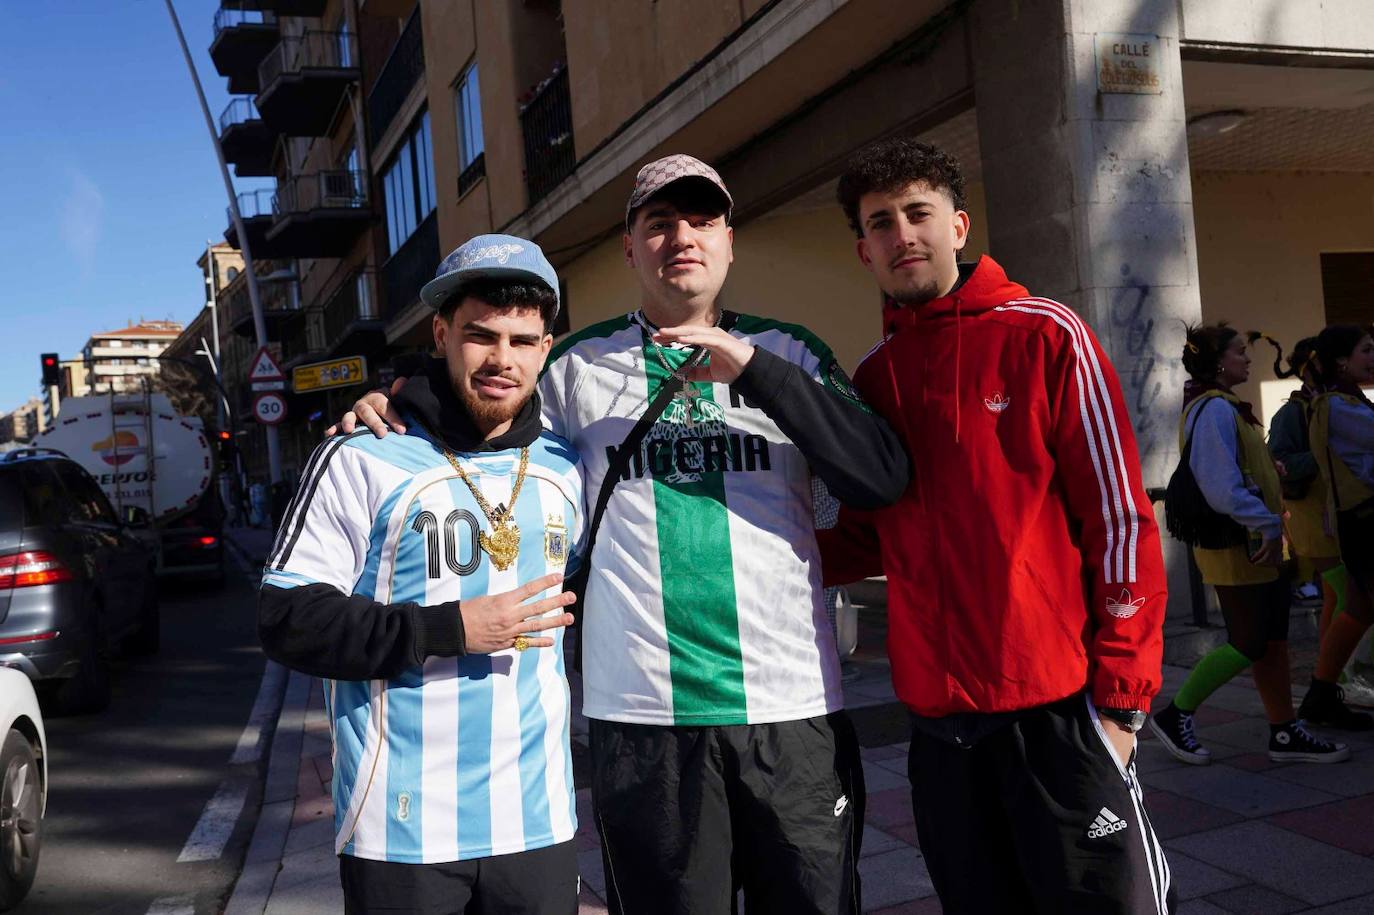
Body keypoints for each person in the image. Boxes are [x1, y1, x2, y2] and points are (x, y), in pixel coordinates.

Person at [335, 155, 910, 913]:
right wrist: (393, 396)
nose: (682, 238)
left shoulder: (790, 350)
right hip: (644, 722)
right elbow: (480, 401)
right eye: (659, 223)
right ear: (628, 247)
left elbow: (881, 477)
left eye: (702, 220)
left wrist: (752, 370)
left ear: (730, 241)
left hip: (792, 709)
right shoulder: (574, 366)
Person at [817, 137, 1175, 913]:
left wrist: (1120, 703)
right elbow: (860, 535)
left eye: (919, 213)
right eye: (882, 222)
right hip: (941, 732)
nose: (902, 233)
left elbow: (1119, 522)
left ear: (958, 226)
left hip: (1061, 716)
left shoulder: (1046, 335)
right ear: (863, 250)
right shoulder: (875, 377)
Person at [258, 236, 584, 914]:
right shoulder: (364, 454)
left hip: (539, 818)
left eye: (523, 341)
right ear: (440, 334)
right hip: (403, 827)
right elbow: (288, 619)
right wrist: (449, 628)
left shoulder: (564, 464)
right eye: (480, 336)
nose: (502, 359)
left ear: (546, 348)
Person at [1149, 325, 1347, 765]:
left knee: (1274, 640)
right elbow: (1221, 488)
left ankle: (1284, 730)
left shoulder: (1225, 409)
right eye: (1240, 352)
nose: (1248, 358)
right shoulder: (1215, 410)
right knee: (1250, 641)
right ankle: (1174, 714)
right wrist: (1269, 524)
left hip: (1258, 542)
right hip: (1238, 546)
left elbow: (1237, 473)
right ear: (1219, 362)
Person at [1297, 324, 1374, 727]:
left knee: (1359, 610)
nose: (1372, 355)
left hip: (1358, 522)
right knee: (1359, 608)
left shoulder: (1345, 402)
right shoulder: (1338, 408)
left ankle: (1320, 695)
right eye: (1367, 349)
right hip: (1365, 522)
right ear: (1343, 361)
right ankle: (1320, 695)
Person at [1263, 336, 1344, 629]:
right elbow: (1281, 464)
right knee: (1350, 599)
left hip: (1339, 515)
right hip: (1314, 518)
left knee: (1338, 600)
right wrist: (1328, 456)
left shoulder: (1337, 403)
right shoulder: (1291, 414)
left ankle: (1334, 668)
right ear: (1309, 370)